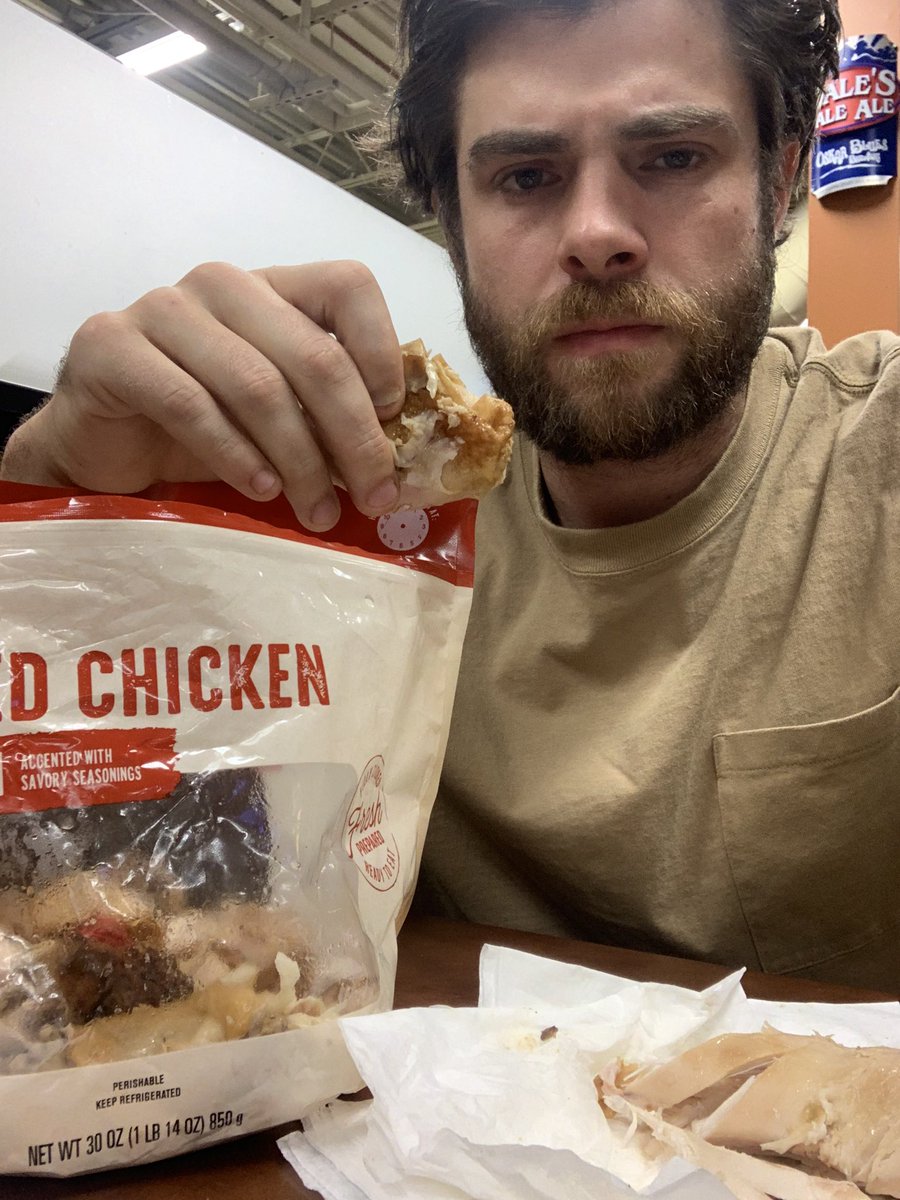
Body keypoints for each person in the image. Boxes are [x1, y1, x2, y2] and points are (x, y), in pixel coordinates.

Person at [4, 0, 899, 991]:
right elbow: (99, 879)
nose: (597, 235)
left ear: (779, 182)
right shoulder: (336, 514)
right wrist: (56, 502)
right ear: (452, 219)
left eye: (675, 157)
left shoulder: (877, 457)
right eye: (526, 177)